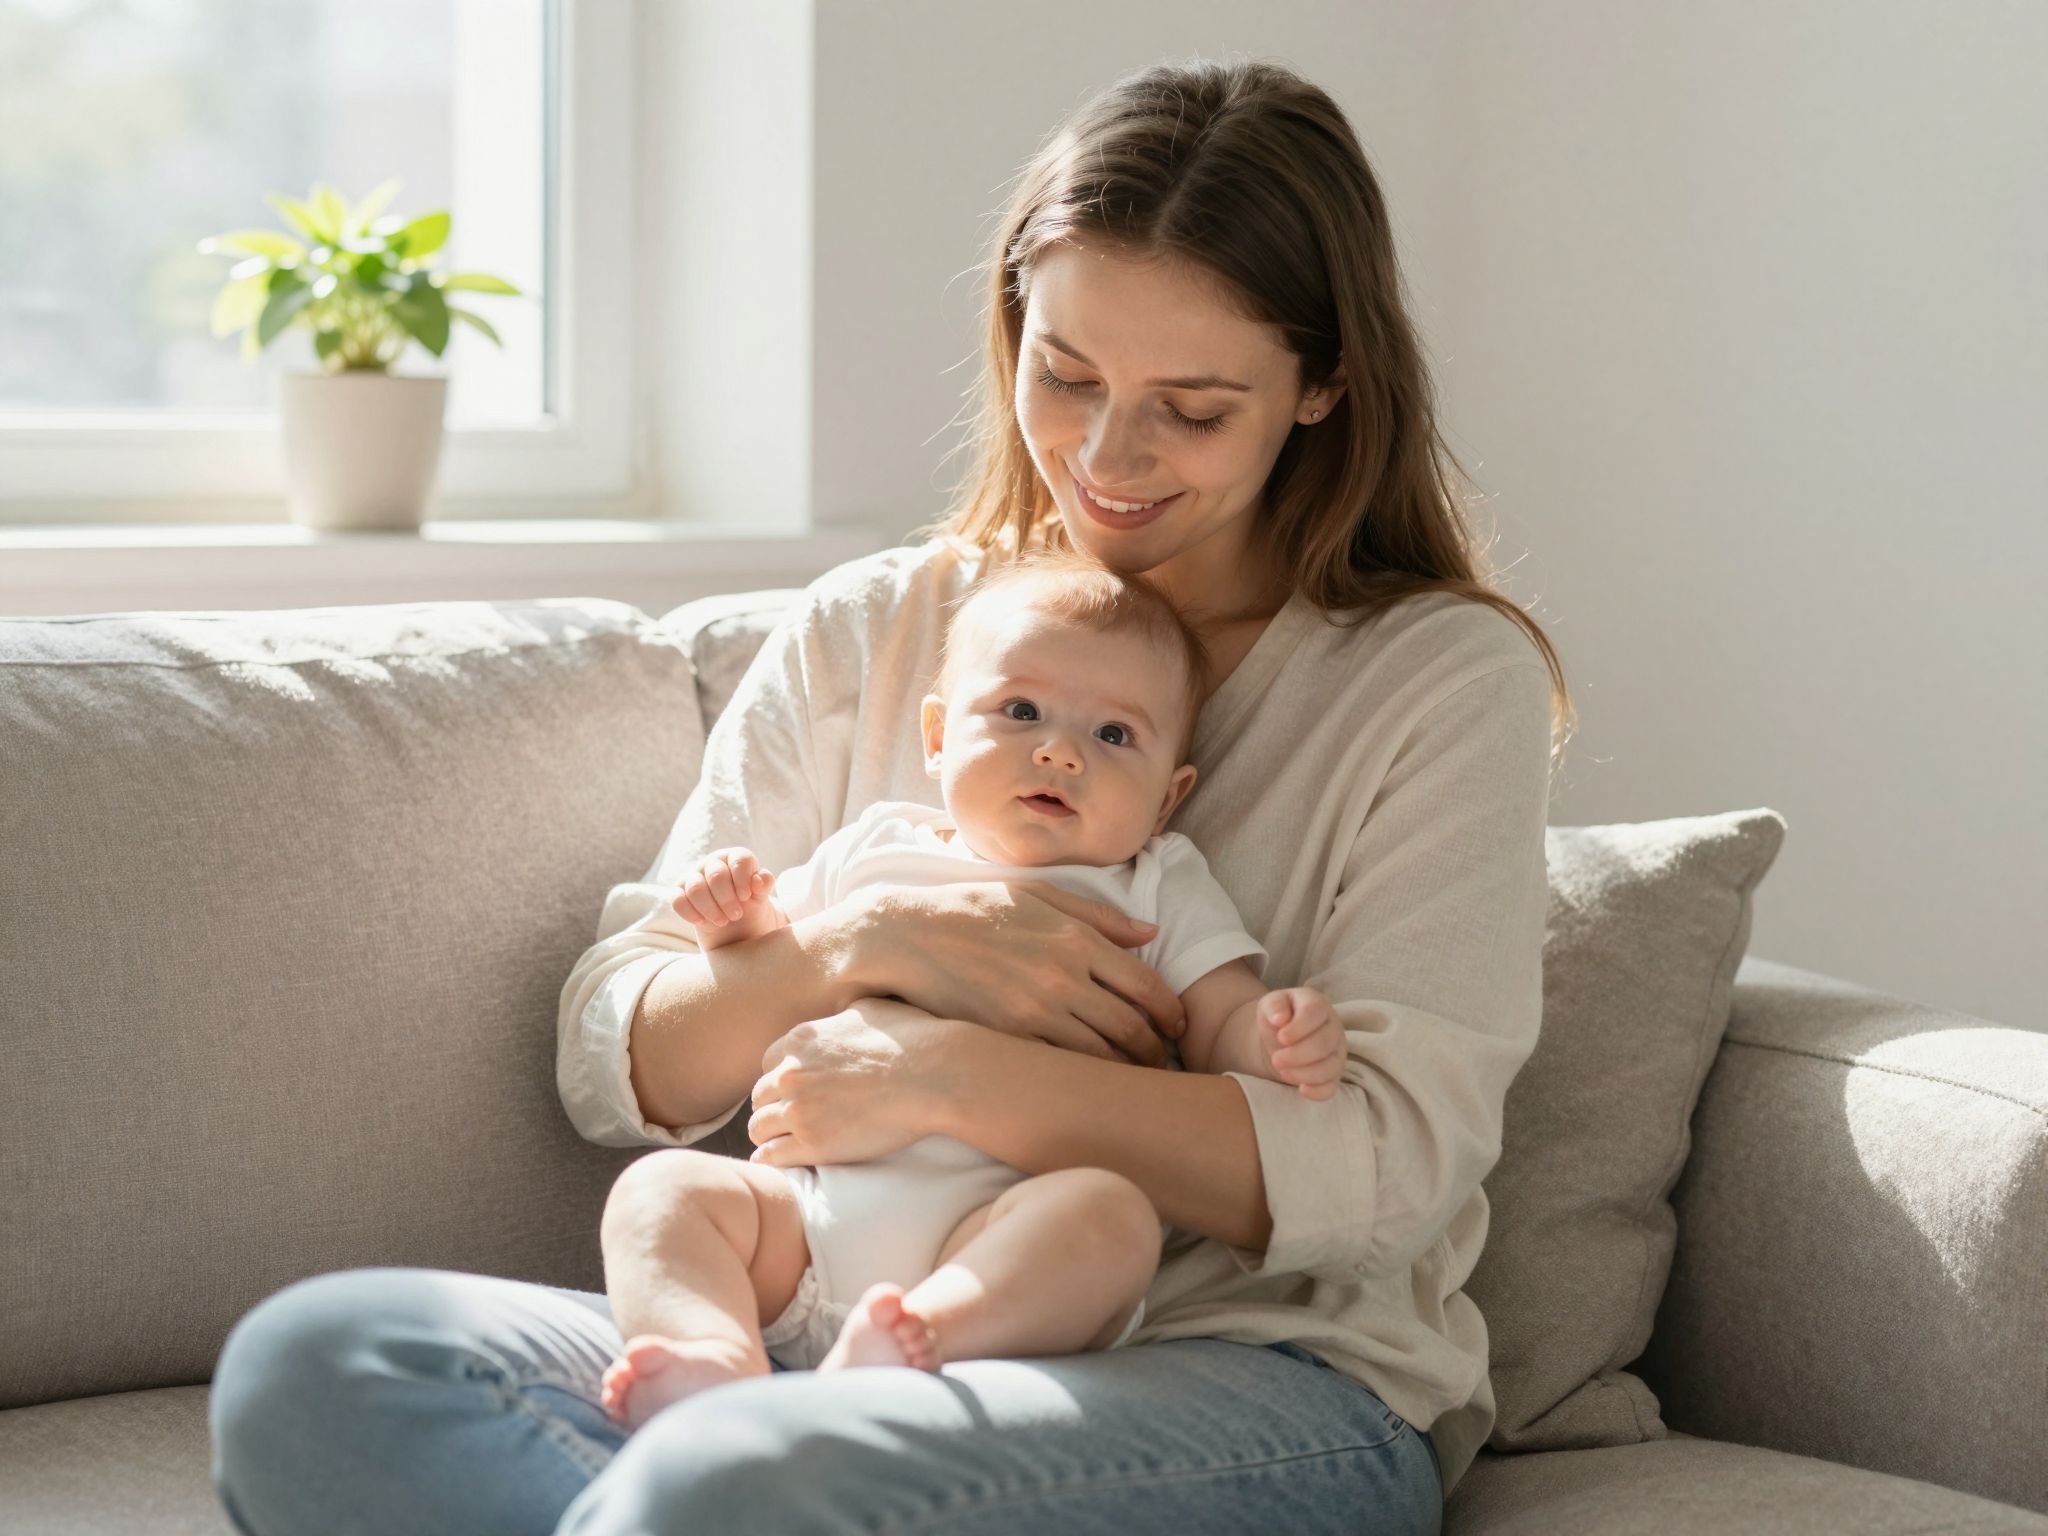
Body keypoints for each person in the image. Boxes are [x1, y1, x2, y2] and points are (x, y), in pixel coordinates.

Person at [210, 54, 1574, 1536]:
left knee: (737, 1480)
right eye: (1066, 376)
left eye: (1189, 409)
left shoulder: (1435, 680)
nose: (1106, 456)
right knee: (321, 1367)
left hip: (1254, 1375)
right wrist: (859, 945)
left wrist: (954, 1080)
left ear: (1322, 386)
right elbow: (620, 1051)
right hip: (822, 1320)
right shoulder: (878, 627)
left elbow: (1387, 1168)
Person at [598, 551, 1355, 1430]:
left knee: (1109, 1220)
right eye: (1021, 711)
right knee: (661, 1193)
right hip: (805, 1228)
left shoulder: (1156, 887)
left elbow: (1216, 1020)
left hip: (998, 1237)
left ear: (1165, 799)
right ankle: (712, 1356)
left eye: (1114, 735)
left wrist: (1275, 1033)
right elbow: (774, 968)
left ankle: (920, 1338)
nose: (1059, 751)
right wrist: (733, 922)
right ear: (937, 738)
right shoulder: (876, 850)